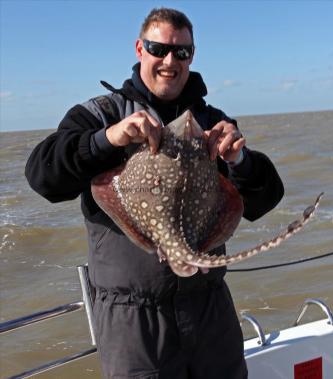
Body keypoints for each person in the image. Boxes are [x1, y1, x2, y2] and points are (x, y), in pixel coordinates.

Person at [25, 7, 284, 379]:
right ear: (139, 49)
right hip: (135, 324)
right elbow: (41, 175)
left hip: (210, 313)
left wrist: (239, 159)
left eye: (181, 52)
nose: (169, 60)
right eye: (158, 48)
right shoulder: (99, 115)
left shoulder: (210, 123)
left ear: (191, 56)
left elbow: (264, 200)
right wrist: (108, 139)